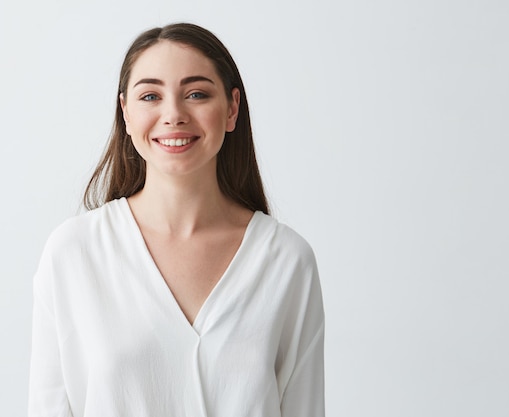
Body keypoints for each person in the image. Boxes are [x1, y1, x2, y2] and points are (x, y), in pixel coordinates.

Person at [28, 23, 324, 417]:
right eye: (150, 96)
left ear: (232, 108)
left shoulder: (286, 261)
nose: (173, 115)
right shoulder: (74, 253)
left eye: (196, 94)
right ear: (126, 114)